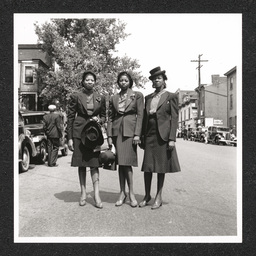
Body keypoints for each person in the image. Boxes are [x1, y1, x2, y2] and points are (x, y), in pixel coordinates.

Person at [139, 67, 181, 210]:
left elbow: (174, 118)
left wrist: (172, 138)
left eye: (159, 78)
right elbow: (144, 118)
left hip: (163, 137)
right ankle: (147, 195)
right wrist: (142, 136)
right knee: (148, 167)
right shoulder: (148, 98)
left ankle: (158, 196)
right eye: (154, 79)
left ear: (164, 80)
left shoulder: (171, 96)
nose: (156, 80)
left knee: (161, 168)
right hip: (149, 135)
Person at [67, 70, 106, 208]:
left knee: (94, 164)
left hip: (93, 135)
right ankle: (83, 193)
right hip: (79, 133)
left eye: (92, 80)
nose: (90, 82)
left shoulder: (100, 97)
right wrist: (70, 138)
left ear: (95, 82)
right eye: (87, 80)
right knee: (82, 164)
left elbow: (103, 116)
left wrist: (99, 120)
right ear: (83, 81)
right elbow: (70, 117)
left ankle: (96, 195)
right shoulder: (75, 96)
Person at [107, 71, 144, 207]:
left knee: (127, 164)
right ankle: (122, 192)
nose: (123, 83)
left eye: (125, 80)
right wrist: (109, 135)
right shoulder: (113, 98)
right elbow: (110, 117)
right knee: (120, 164)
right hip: (117, 133)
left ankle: (131, 193)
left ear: (130, 82)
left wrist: (137, 134)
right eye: (121, 80)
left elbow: (140, 115)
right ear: (118, 82)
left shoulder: (137, 95)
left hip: (130, 132)